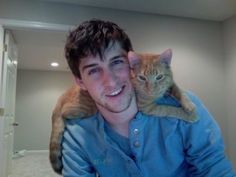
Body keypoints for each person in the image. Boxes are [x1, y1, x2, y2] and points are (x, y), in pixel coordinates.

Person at [62, 19, 236, 177]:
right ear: (80, 82)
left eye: (117, 62)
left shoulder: (185, 106)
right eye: (93, 71)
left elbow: (214, 168)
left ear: (132, 65)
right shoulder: (77, 135)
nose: (111, 81)